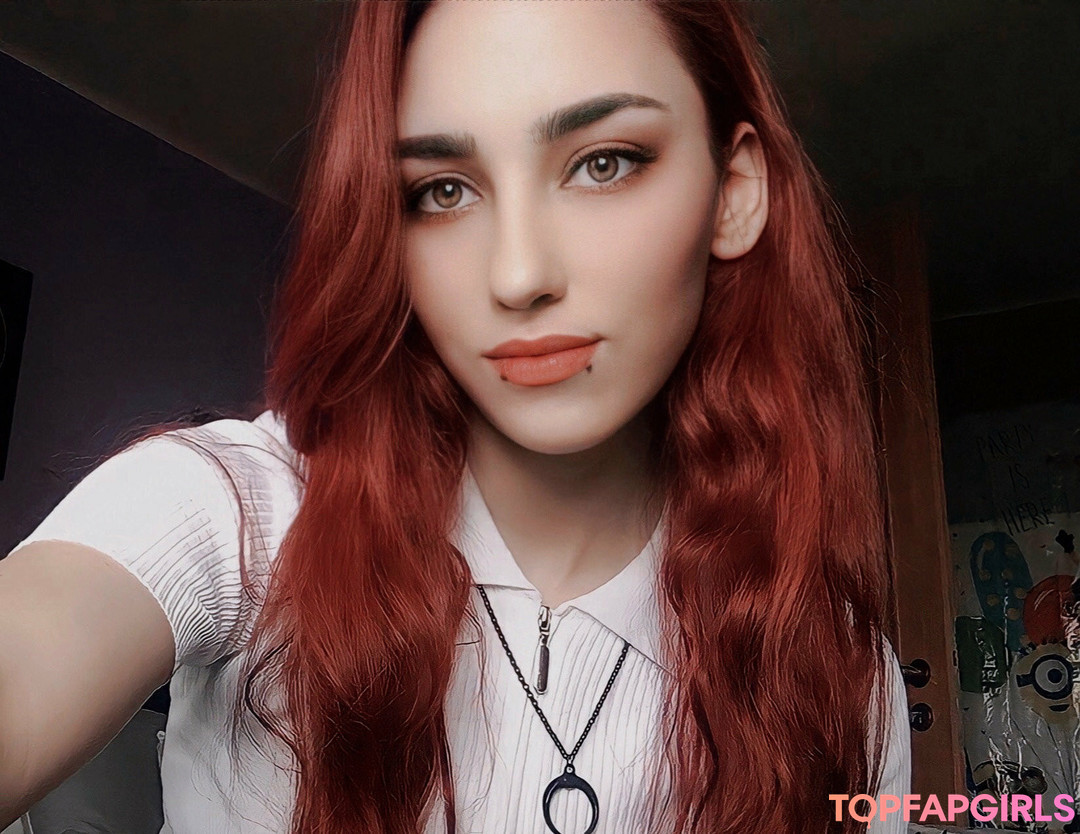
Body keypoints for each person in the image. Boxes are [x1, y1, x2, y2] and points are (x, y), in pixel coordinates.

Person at [0, 1, 911, 832]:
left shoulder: (844, 679)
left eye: (602, 163)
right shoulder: (239, 514)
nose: (517, 275)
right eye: (443, 189)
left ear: (735, 190)